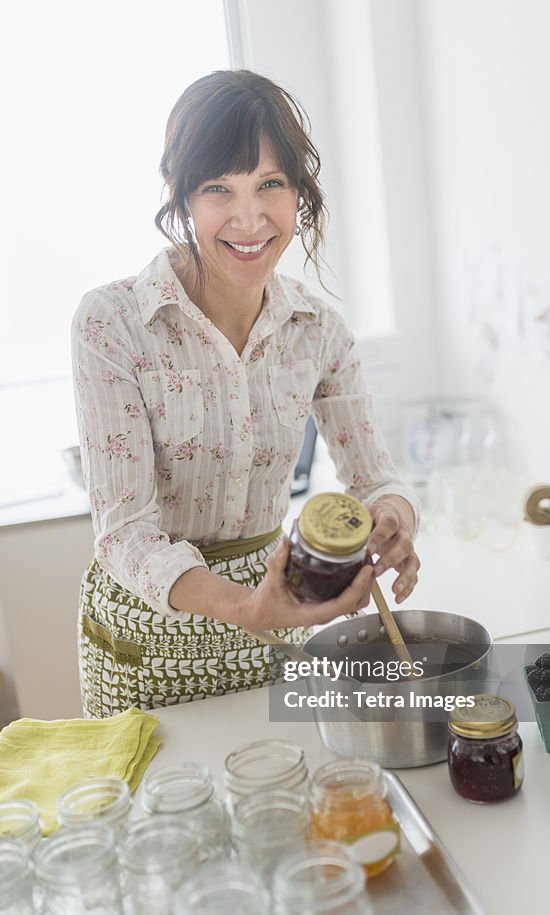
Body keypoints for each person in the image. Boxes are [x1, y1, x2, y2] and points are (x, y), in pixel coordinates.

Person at [72, 69, 420, 718]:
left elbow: (375, 477)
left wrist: (394, 517)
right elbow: (123, 531)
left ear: (299, 194)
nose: (249, 218)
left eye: (270, 185)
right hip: (148, 642)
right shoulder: (111, 323)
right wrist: (244, 606)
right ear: (179, 199)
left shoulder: (320, 331)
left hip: (277, 624)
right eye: (217, 190)